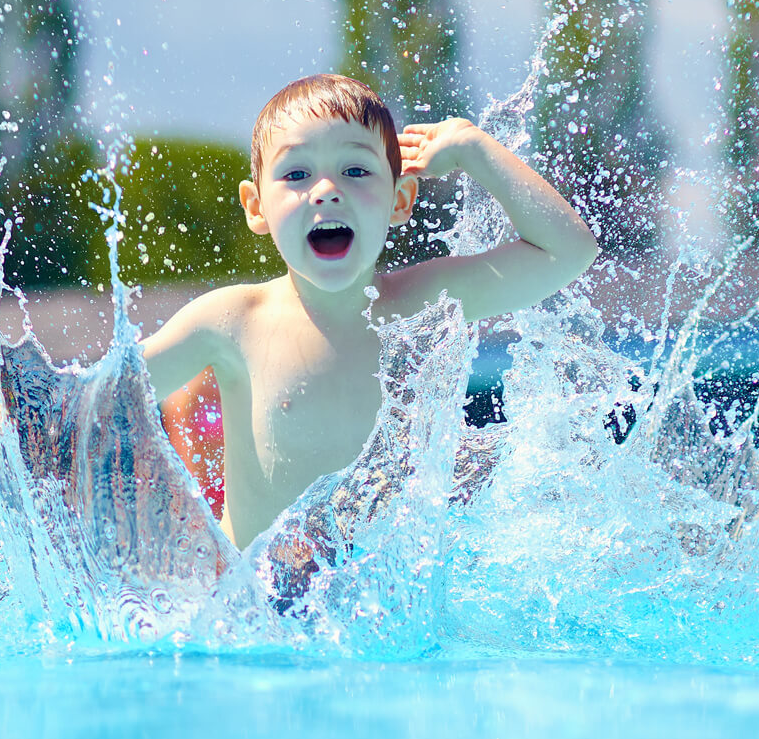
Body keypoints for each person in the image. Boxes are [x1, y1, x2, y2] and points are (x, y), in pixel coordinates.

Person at [140, 74, 598, 553]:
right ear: (256, 207)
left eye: (355, 171)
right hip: (260, 613)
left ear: (400, 200)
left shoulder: (422, 304)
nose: (325, 191)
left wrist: (473, 148)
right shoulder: (232, 321)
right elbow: (105, 396)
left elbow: (568, 251)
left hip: (382, 610)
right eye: (296, 174)